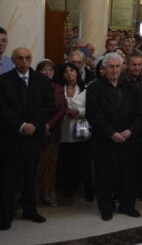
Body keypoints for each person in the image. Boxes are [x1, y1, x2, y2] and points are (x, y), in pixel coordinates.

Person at [0, 48, 55, 230]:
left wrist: (34, 125)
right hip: (11, 137)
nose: (24, 61)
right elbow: (2, 108)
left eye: (27, 58)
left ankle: (30, 210)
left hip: (33, 137)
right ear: (13, 60)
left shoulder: (43, 81)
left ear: (31, 60)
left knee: (31, 177)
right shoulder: (3, 80)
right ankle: (6, 214)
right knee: (8, 179)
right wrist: (21, 125)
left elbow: (49, 106)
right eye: (20, 58)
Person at [86, 53, 142, 221]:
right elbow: (94, 115)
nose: (115, 70)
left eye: (118, 66)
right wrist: (111, 133)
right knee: (105, 177)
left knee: (128, 176)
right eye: (111, 67)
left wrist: (131, 130)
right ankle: (106, 208)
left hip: (128, 139)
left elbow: (140, 114)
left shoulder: (131, 88)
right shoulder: (95, 88)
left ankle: (127, 206)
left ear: (122, 67)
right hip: (105, 140)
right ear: (104, 69)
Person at [55, 63, 92, 204]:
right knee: (67, 161)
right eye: (65, 72)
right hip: (64, 127)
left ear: (77, 72)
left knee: (84, 160)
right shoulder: (59, 89)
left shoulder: (86, 88)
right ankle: (68, 189)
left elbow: (92, 108)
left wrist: (78, 111)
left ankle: (89, 189)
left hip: (81, 125)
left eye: (71, 70)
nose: (69, 73)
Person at [36, 60, 67, 207]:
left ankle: (47, 193)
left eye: (50, 70)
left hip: (53, 132)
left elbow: (62, 109)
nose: (48, 72)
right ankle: (33, 195)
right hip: (36, 132)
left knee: (50, 166)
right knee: (37, 166)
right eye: (44, 70)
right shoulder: (33, 87)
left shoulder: (58, 88)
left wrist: (49, 125)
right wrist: (42, 125)